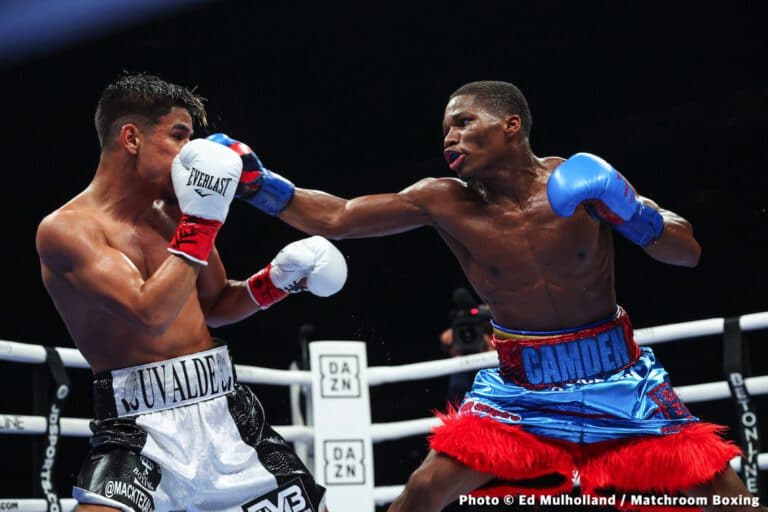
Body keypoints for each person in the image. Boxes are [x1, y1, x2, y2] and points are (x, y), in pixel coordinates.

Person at [208, 80, 765, 512]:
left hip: (621, 381)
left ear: (510, 126)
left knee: (726, 496)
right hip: (520, 390)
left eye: (463, 123)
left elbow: (686, 251)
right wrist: (256, 184)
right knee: (425, 490)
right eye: (445, 129)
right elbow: (338, 217)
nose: (448, 138)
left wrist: (631, 210)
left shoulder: (578, 182)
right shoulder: (443, 200)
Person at [35, 73, 347, 512]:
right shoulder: (66, 230)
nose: (190, 153)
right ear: (131, 138)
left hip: (228, 415)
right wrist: (202, 222)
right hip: (138, 431)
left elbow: (215, 305)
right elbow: (149, 312)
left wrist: (275, 281)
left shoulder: (177, 213)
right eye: (178, 136)